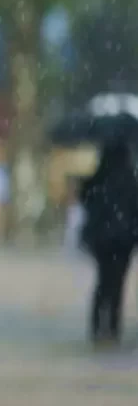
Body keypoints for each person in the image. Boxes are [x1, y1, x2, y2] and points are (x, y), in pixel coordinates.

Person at [78, 140, 138, 345]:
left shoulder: (98, 178)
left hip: (102, 241)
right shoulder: (130, 180)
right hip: (123, 241)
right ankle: (112, 327)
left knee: (103, 281)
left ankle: (97, 326)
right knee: (117, 283)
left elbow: (85, 201)